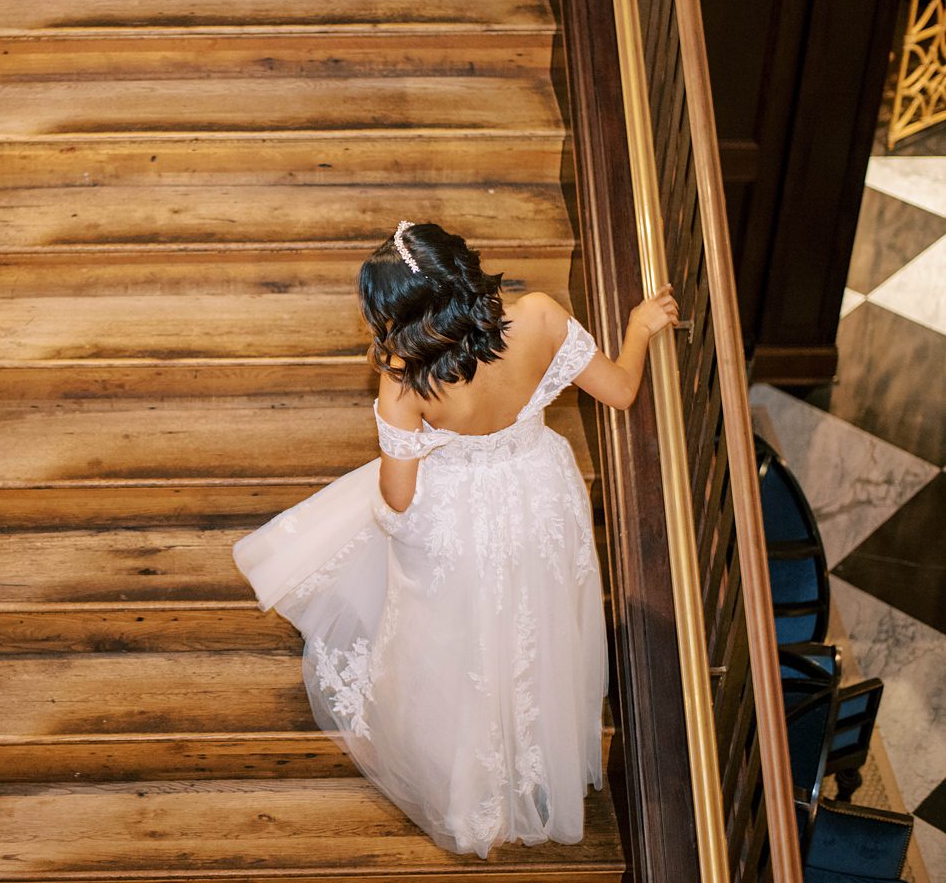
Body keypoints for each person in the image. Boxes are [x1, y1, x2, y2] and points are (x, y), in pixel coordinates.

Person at [233, 221, 679, 858]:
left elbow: (397, 500)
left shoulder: (406, 377)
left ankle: (466, 771)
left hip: (464, 520)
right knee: (537, 621)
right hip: (540, 497)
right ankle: (534, 758)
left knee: (461, 637)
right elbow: (622, 391)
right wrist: (639, 327)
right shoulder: (543, 317)